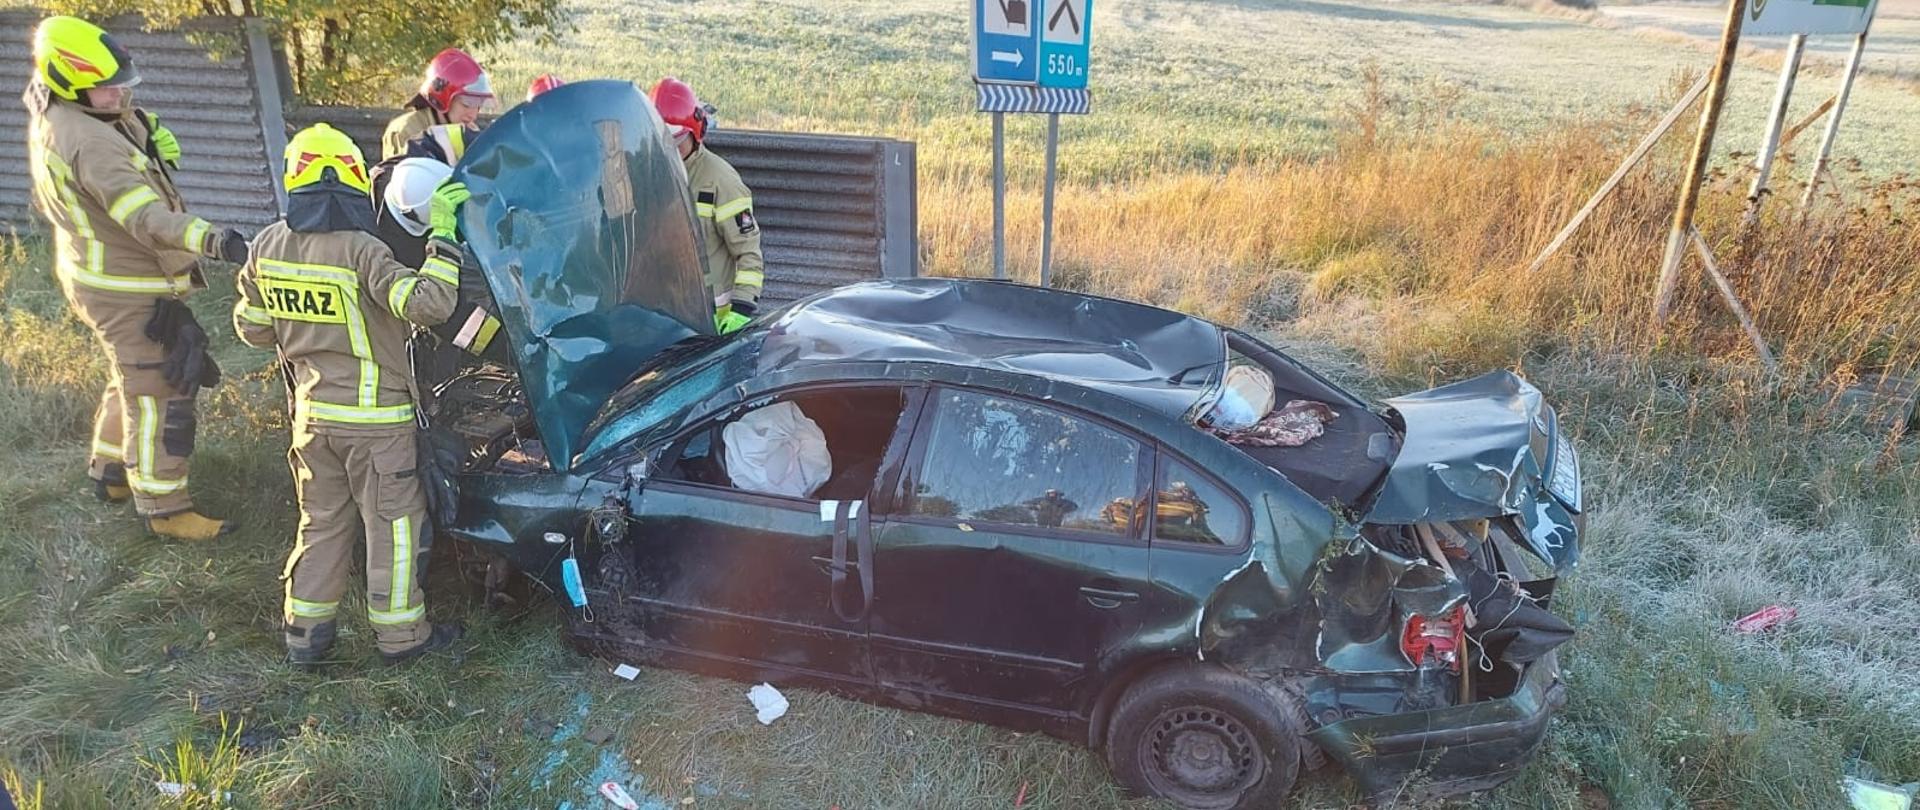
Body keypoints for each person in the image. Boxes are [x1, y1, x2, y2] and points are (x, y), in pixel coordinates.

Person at [232, 123, 467, 667]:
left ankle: (306, 637)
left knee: (321, 522)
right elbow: (428, 304)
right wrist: (444, 239)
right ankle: (403, 639)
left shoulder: (267, 245)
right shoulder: (364, 250)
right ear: (356, 179)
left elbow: (253, 328)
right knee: (393, 529)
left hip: (312, 418)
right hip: (377, 425)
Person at [26, 15, 250, 540]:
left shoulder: (65, 109)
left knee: (128, 372)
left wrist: (143, 135)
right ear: (69, 82)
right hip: (125, 285)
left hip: (96, 272)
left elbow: (120, 118)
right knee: (159, 391)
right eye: (107, 88)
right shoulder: (89, 143)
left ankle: (110, 473)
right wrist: (213, 240)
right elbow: (146, 219)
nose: (120, 94)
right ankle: (165, 508)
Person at [649, 77, 764, 333]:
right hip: (665, 318)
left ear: (695, 132)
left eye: (676, 142)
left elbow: (748, 252)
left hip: (711, 322)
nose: (668, 149)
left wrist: (741, 309)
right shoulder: (648, 173)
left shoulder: (721, 181)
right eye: (661, 141)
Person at [382, 48, 493, 160]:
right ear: (442, 98)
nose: (473, 116)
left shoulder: (469, 131)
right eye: (467, 104)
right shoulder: (406, 130)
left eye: (478, 105)